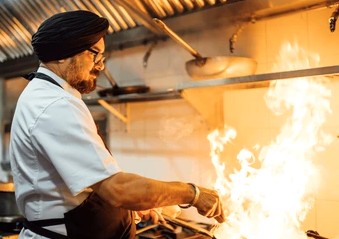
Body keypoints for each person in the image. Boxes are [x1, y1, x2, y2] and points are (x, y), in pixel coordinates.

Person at [9, 10, 225, 239]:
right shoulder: (56, 104)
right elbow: (117, 189)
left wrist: (130, 207)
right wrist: (192, 193)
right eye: (95, 54)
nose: (100, 66)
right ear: (63, 54)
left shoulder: (47, 95)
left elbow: (85, 188)